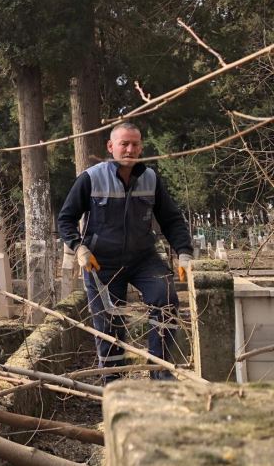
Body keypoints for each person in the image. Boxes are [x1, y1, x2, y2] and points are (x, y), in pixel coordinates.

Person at [57, 122, 193, 383]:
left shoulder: (151, 178)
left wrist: (184, 252)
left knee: (165, 300)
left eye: (135, 144)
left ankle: (160, 372)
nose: (130, 149)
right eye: (124, 144)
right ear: (111, 147)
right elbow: (65, 219)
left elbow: (172, 219)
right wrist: (79, 247)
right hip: (101, 263)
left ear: (141, 147)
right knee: (109, 326)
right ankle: (114, 384)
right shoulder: (91, 178)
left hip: (143, 259)